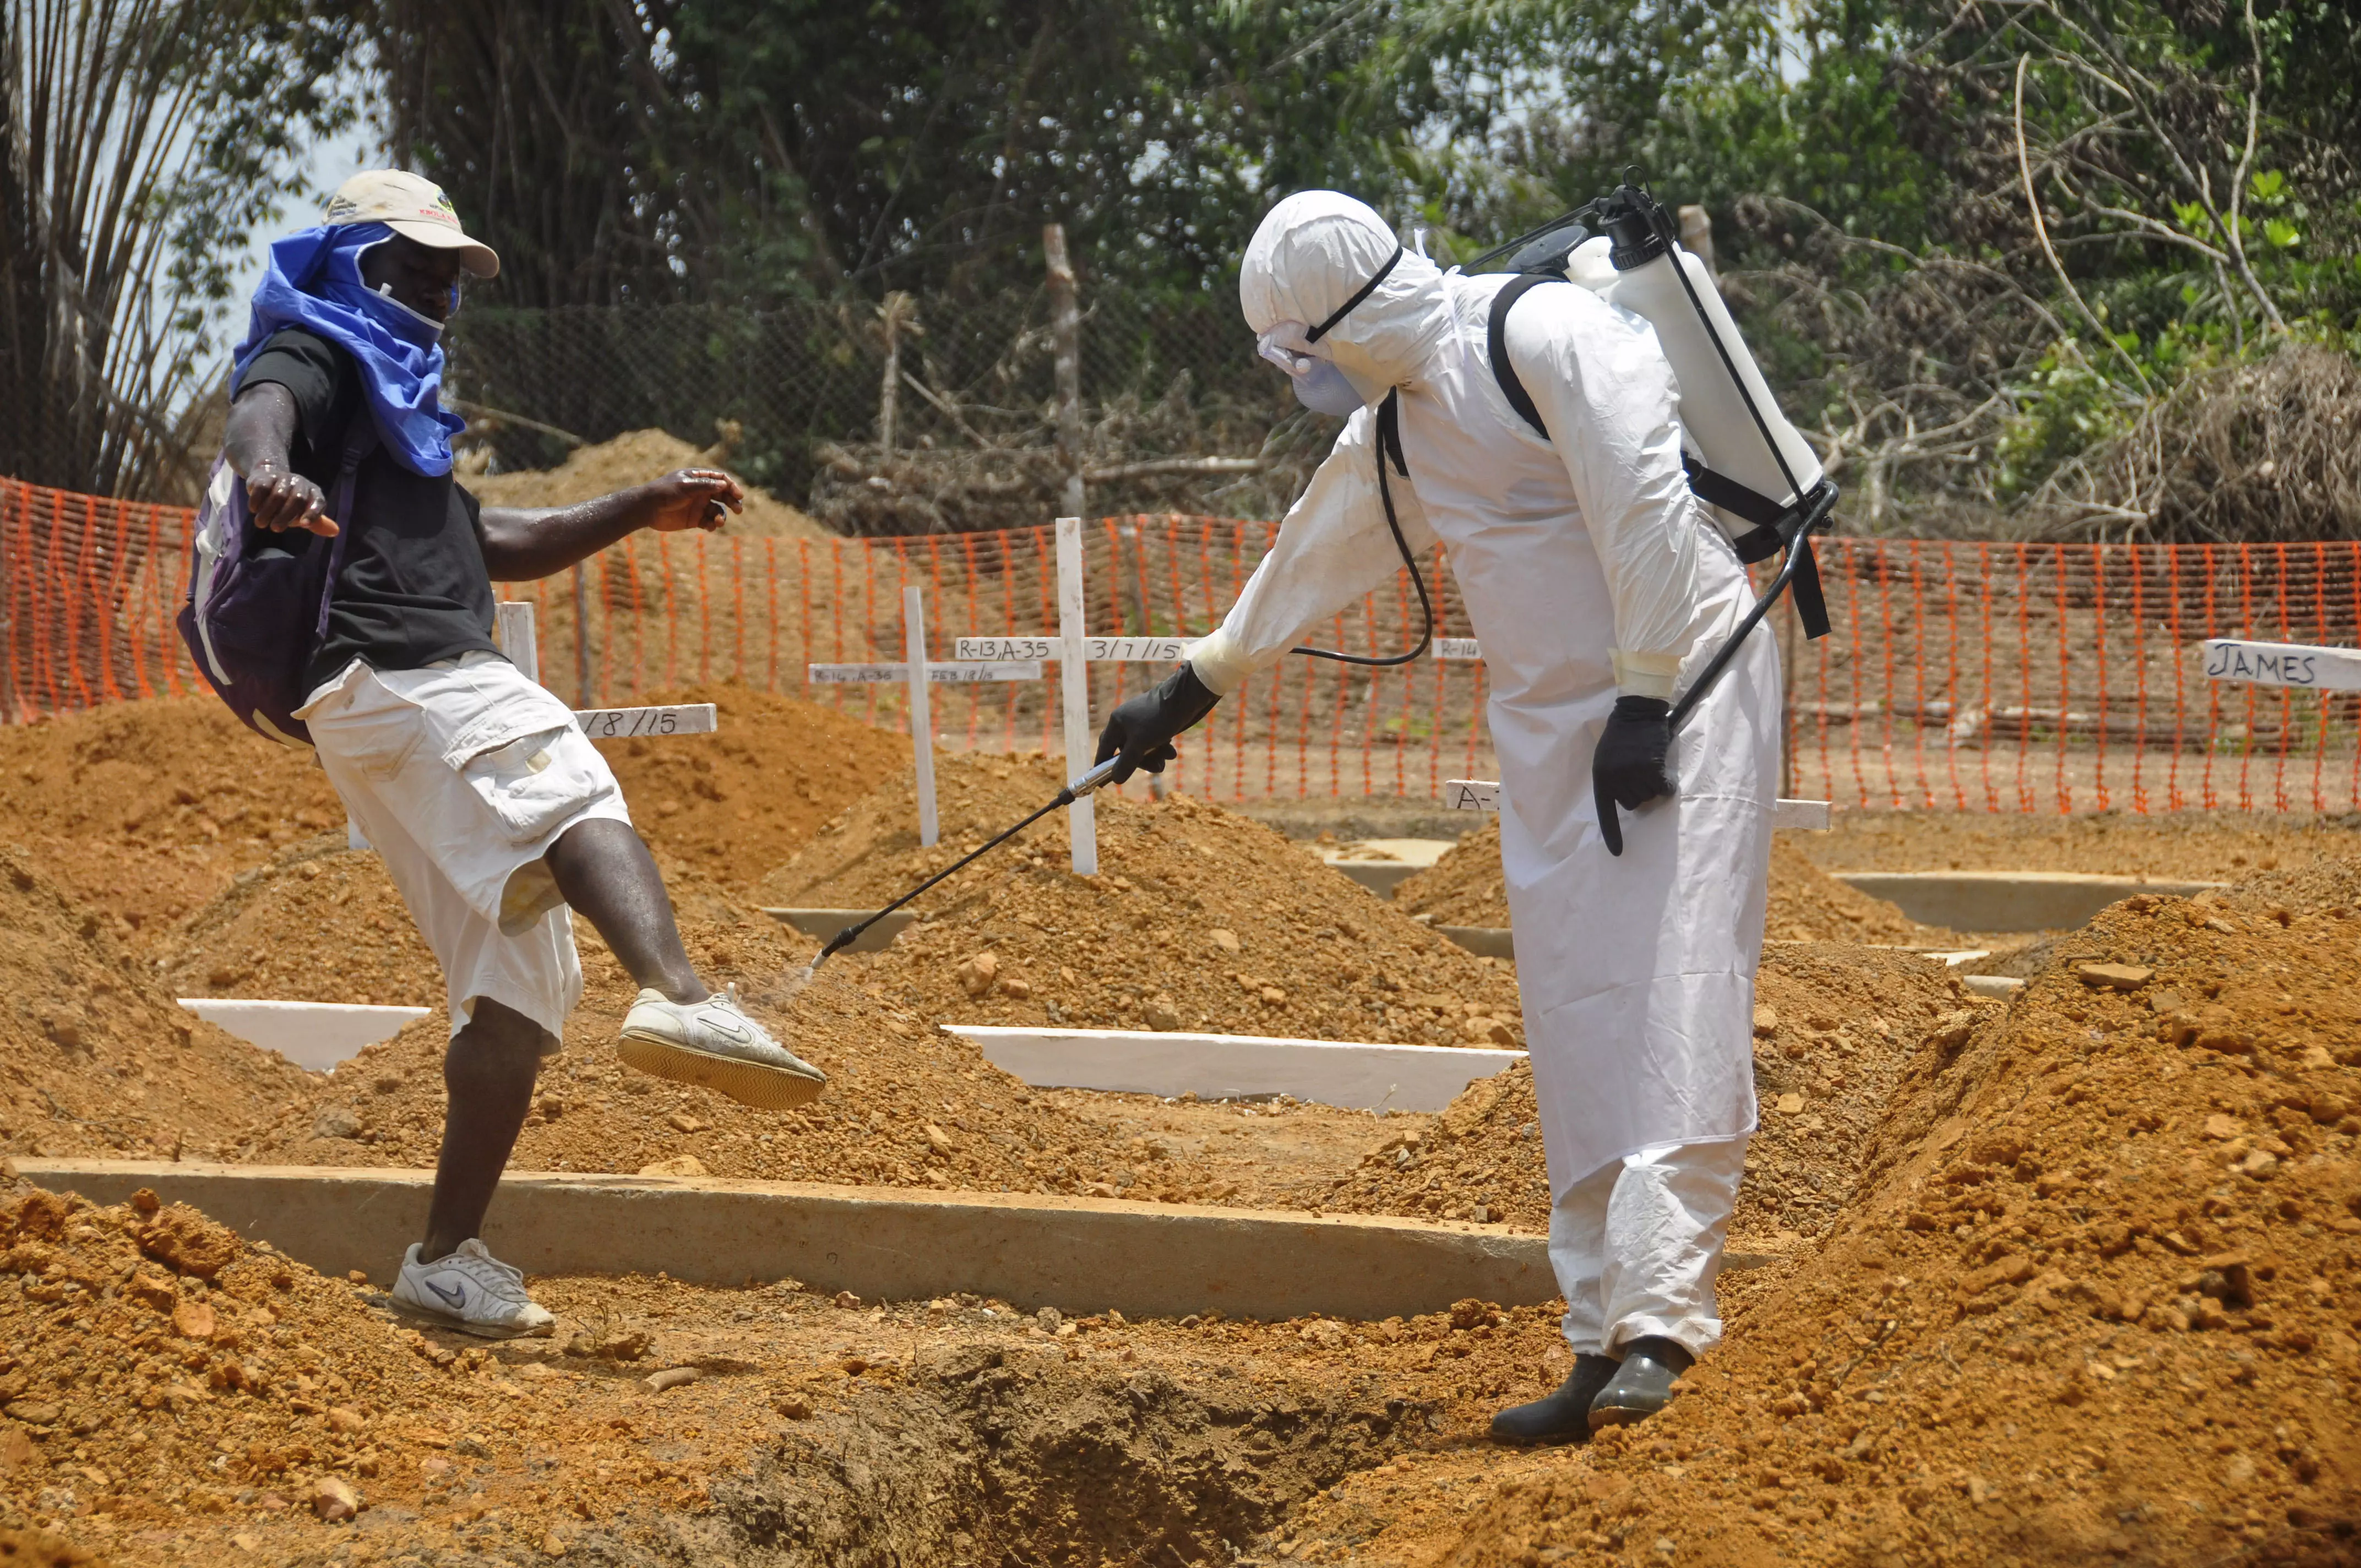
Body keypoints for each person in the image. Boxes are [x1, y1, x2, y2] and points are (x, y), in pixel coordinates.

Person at [1096, 190, 1778, 1439]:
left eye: (1292, 351)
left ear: (1338, 318)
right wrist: (1188, 686)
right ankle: (1594, 1335)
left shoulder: (1540, 333)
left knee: (1670, 981)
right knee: (1575, 1006)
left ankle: (1664, 1326)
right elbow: (1315, 549)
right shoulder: (1400, 424)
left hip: (1689, 683)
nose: (1294, 376)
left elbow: (1633, 494)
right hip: (1553, 728)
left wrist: (1643, 693)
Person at [220, 170, 827, 1339]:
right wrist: (265, 473)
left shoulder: (408, 422)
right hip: (392, 670)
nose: (443, 290)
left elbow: (497, 540)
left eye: (453, 273)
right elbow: (262, 411)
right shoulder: (321, 350)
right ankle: (685, 997)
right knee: (561, 767)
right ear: (356, 263)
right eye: (419, 266)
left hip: (387, 699)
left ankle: (443, 1257)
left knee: (521, 987)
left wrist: (637, 504)